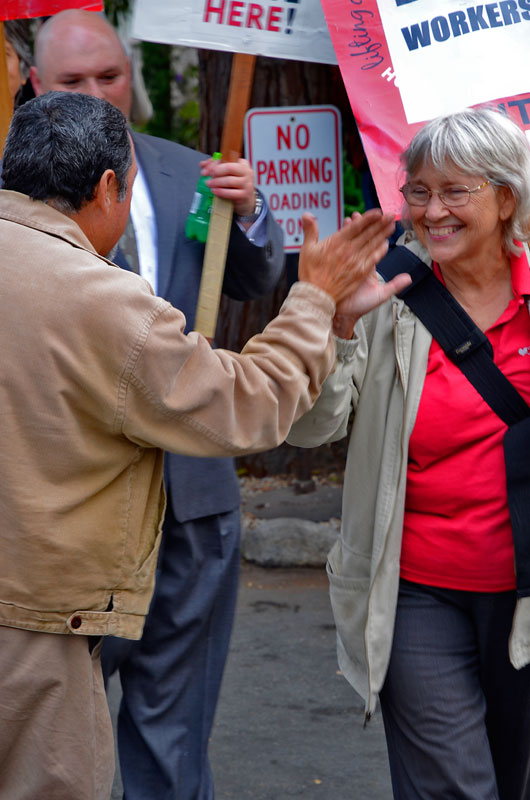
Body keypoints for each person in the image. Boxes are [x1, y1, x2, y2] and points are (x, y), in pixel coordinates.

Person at [0, 89, 400, 799]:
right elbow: (249, 403)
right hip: (38, 620)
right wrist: (316, 302)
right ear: (109, 187)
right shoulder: (100, 297)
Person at [29, 11, 286, 799]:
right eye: (73, 80)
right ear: (35, 85)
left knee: (171, 738)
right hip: (63, 517)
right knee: (51, 749)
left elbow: (255, 280)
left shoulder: (189, 171)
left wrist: (252, 215)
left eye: (109, 75)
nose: (96, 93)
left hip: (191, 498)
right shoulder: (14, 190)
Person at [288, 106, 530, 800]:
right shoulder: (386, 291)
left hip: (524, 590)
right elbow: (311, 429)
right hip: (416, 591)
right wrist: (335, 322)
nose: (433, 210)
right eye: (419, 191)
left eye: (456, 191)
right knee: (452, 788)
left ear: (505, 198)